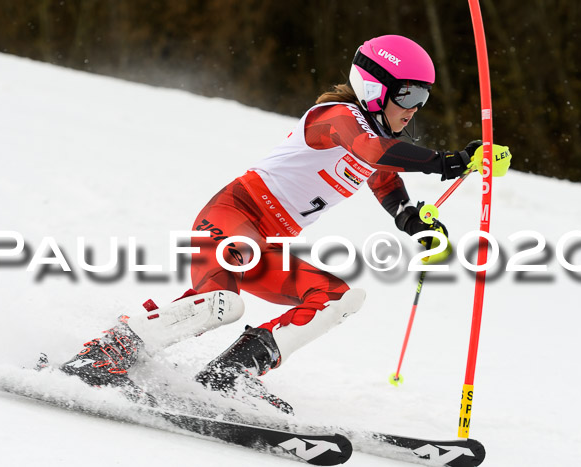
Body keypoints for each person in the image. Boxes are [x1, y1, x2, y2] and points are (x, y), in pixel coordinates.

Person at [60, 35, 511, 414]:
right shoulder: (335, 118)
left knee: (340, 297)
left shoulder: (378, 138)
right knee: (222, 303)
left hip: (267, 243)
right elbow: (371, 152)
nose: (415, 108)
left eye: (423, 97)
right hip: (231, 218)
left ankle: (230, 376)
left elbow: (383, 176)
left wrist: (411, 220)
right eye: (408, 94)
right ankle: (105, 353)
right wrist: (447, 161)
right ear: (374, 87)